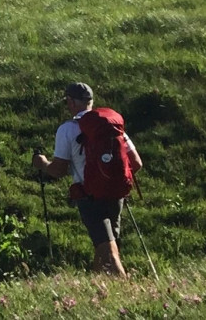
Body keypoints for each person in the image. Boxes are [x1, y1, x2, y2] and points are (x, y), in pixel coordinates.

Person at [34, 83, 145, 277]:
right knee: (106, 246)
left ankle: (127, 288)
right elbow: (136, 163)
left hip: (89, 196)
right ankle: (97, 286)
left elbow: (59, 170)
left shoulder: (67, 129)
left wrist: (42, 164)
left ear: (71, 102)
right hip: (116, 194)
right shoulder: (112, 126)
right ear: (91, 102)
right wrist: (112, 176)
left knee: (108, 251)